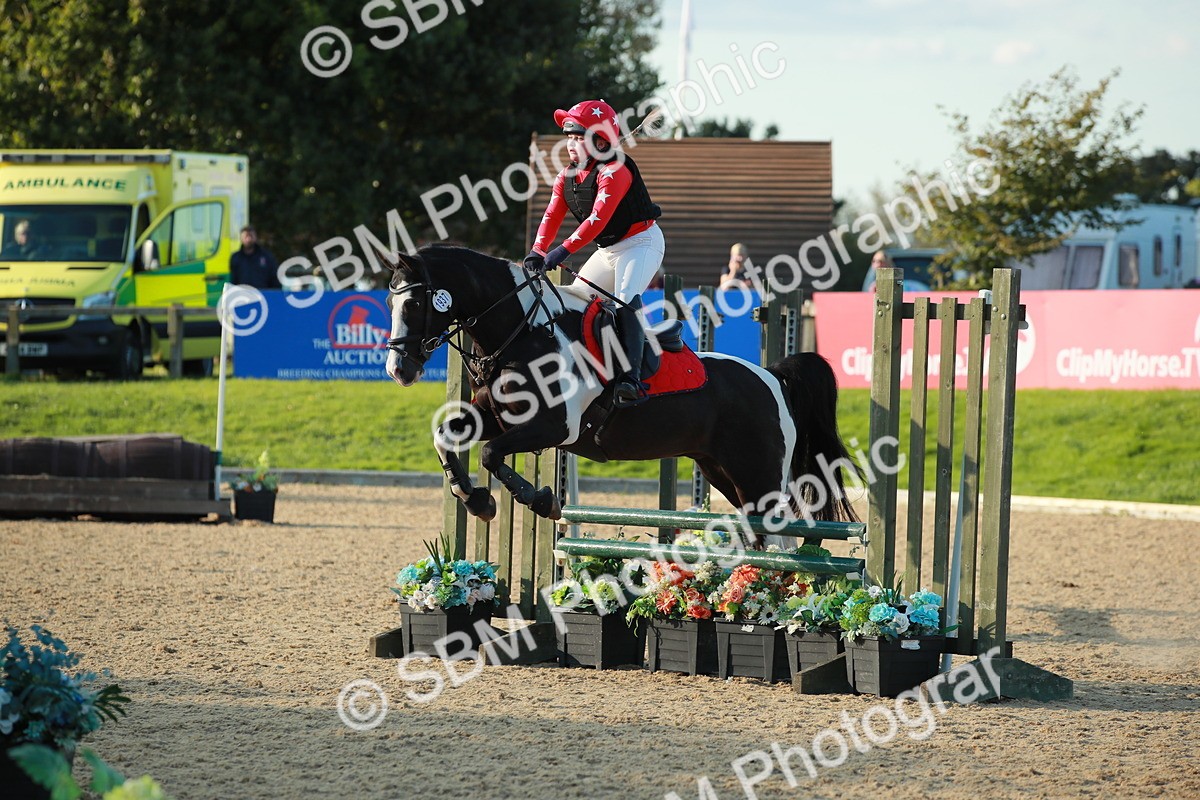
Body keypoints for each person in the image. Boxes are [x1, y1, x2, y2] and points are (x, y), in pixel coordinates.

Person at [524, 99, 665, 407]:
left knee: (626, 297)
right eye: (570, 137)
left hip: (642, 242)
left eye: (579, 137)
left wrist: (562, 250)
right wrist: (537, 249)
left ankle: (630, 377)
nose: (571, 144)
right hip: (608, 250)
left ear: (600, 140)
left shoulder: (615, 170)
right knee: (575, 299)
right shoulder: (567, 177)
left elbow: (596, 219)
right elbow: (551, 216)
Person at [229, 225, 281, 289]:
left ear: (255, 237)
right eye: (246, 236)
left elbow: (274, 279)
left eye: (251, 236)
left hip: (263, 295)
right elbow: (233, 281)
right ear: (241, 238)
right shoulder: (236, 258)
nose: (248, 239)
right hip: (243, 295)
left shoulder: (267, 256)